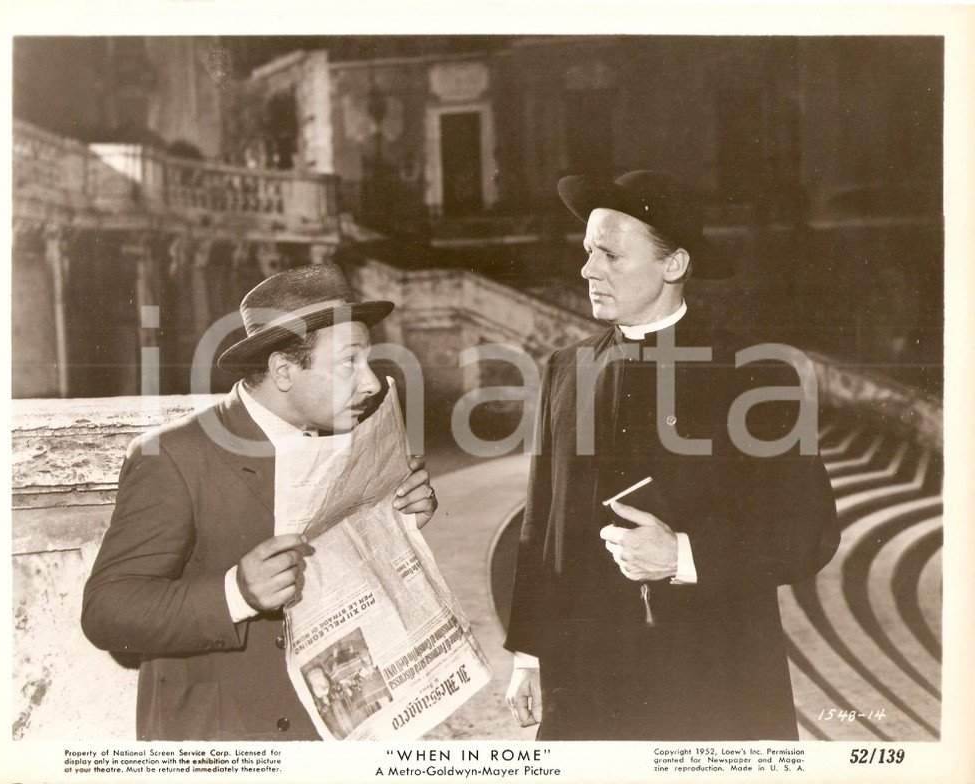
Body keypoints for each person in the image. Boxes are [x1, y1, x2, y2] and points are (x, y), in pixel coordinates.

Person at [504, 170, 840, 740]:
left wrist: (682, 555)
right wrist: (529, 656)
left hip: (710, 683)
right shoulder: (566, 369)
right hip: (585, 684)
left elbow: (810, 532)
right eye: (588, 252)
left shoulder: (755, 374)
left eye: (610, 255)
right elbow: (541, 524)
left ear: (674, 265)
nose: (587, 270)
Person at [82, 263, 437, 741]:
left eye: (368, 360)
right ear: (283, 371)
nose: (371, 383)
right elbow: (106, 610)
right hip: (224, 744)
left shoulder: (347, 442)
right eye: (348, 363)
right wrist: (236, 594)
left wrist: (397, 522)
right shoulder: (175, 455)